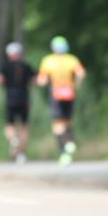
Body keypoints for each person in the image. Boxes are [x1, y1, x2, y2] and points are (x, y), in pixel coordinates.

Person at [37, 36, 86, 165]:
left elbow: (41, 80)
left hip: (56, 94)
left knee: (57, 124)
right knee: (67, 120)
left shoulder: (48, 60)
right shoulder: (71, 59)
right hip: (69, 93)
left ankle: (63, 152)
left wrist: (42, 82)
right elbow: (81, 73)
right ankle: (70, 141)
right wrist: (76, 85)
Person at [0, 42, 35, 163]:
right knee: (24, 126)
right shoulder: (26, 65)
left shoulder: (5, 66)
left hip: (11, 97)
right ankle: (21, 155)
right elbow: (34, 80)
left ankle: (13, 140)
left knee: (9, 125)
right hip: (24, 97)